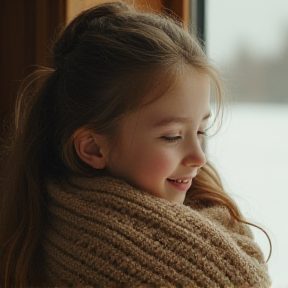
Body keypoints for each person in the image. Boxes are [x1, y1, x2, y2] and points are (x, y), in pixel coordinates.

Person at [0, 1, 271, 287]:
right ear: (93, 148)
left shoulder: (211, 213)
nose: (199, 157)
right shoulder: (107, 262)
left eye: (201, 131)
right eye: (173, 136)